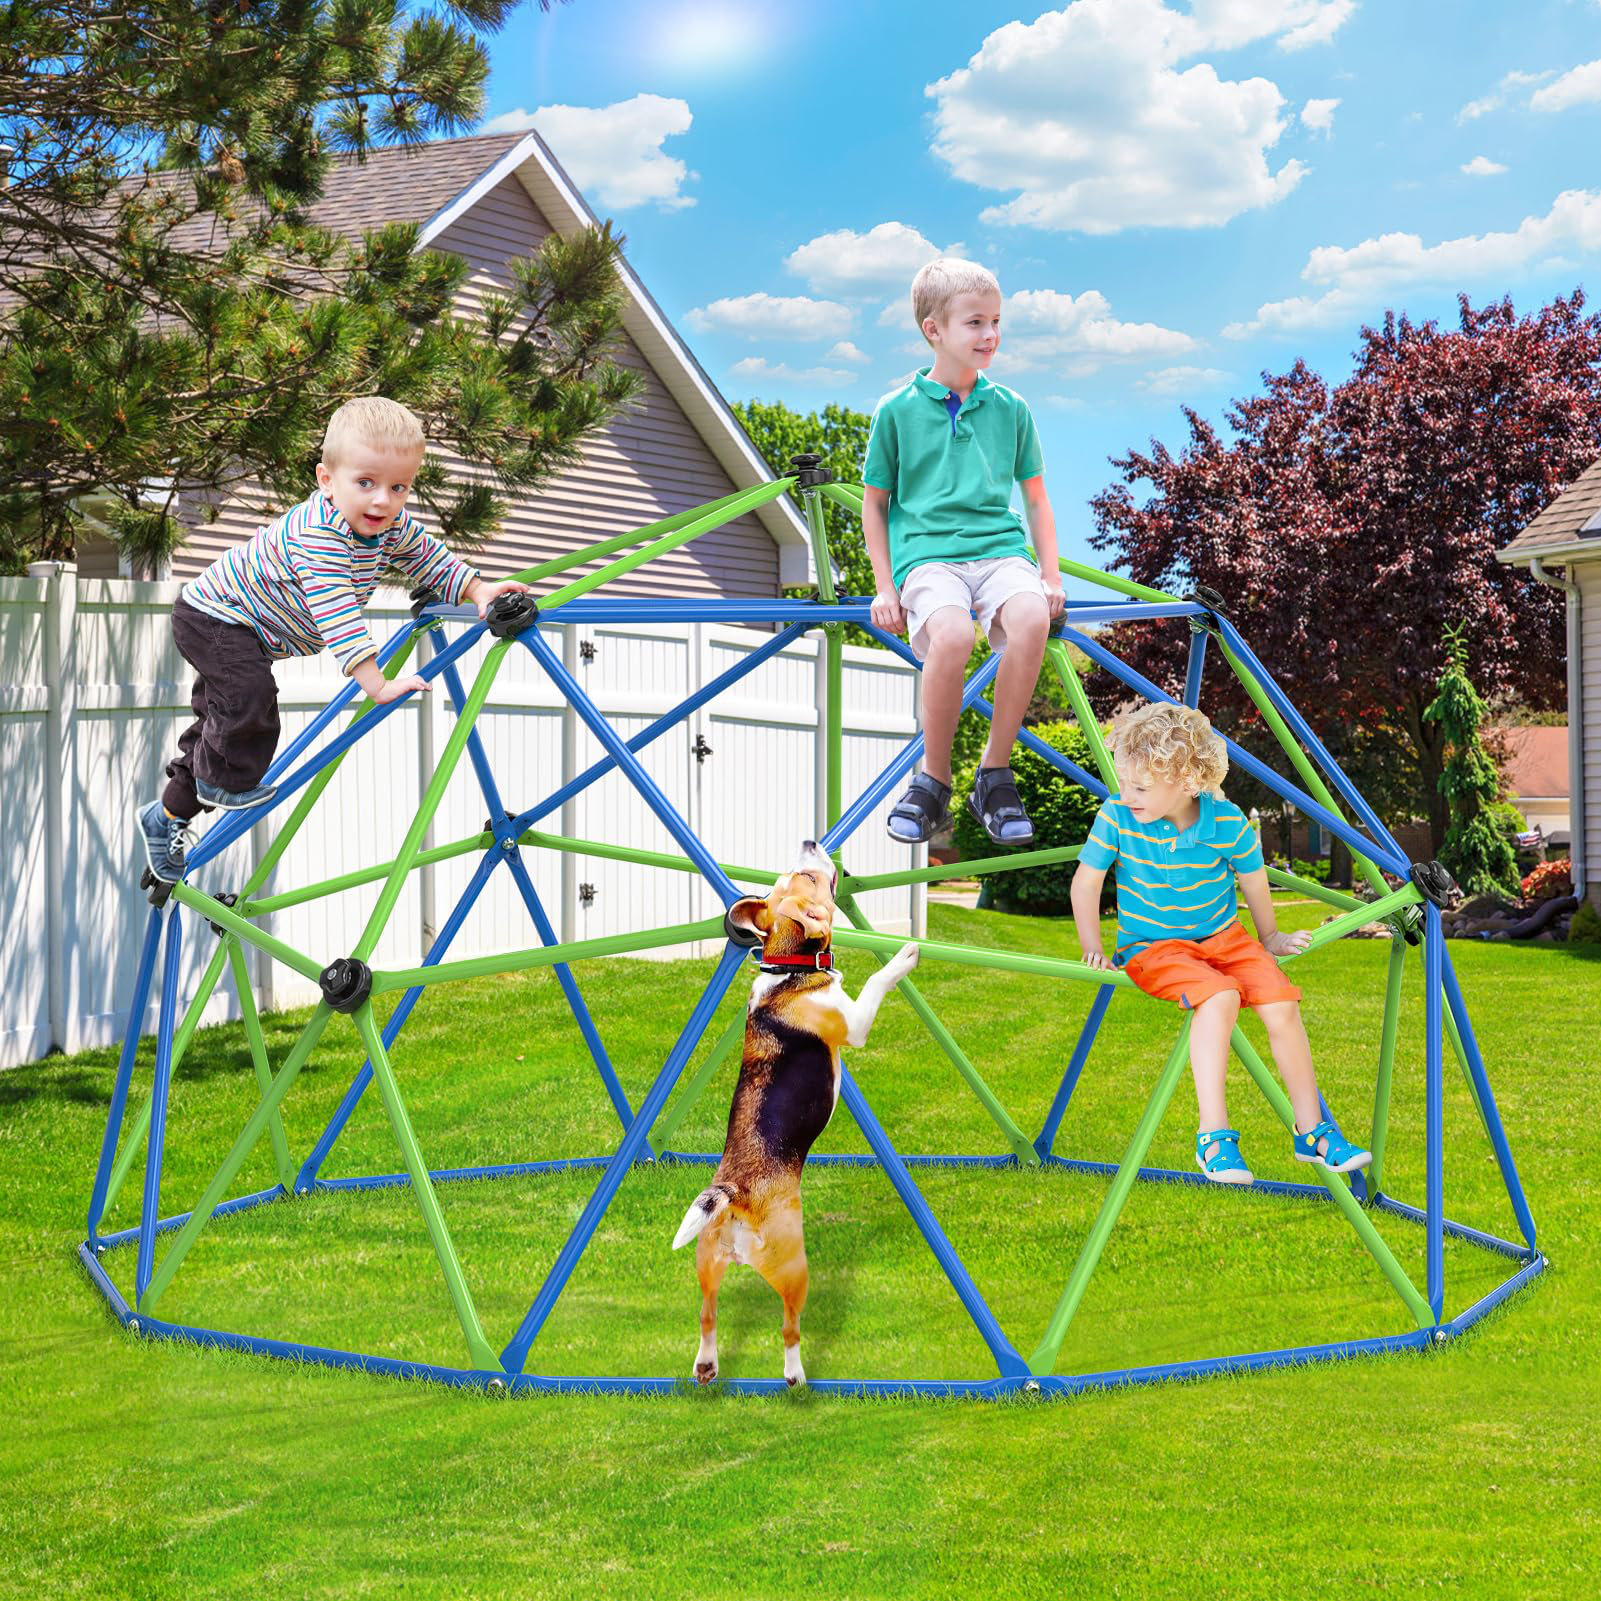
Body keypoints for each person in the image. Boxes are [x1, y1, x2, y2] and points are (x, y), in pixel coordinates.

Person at [135, 395, 533, 883]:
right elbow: (338, 611)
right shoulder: (321, 536)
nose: (382, 500)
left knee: (215, 731)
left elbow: (427, 556)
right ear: (327, 479)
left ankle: (165, 816)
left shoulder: (387, 524)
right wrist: (376, 684)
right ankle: (221, 785)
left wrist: (476, 589)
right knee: (249, 702)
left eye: (399, 487)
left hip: (244, 628)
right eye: (365, 483)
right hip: (216, 617)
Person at [1069, 701, 1371, 1185]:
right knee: (1220, 996)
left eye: (1140, 786)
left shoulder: (1227, 822)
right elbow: (1087, 883)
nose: (1127, 795)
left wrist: (1268, 937)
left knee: (1281, 1003)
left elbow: (1253, 880)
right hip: (1154, 947)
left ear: (1187, 781)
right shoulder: (1117, 817)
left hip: (1225, 938)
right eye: (1124, 782)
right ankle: (1213, 1136)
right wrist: (1093, 946)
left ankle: (1312, 1131)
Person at [861, 256, 1066, 848]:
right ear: (934, 329)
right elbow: (875, 505)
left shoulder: (1011, 407)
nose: (990, 335)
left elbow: (1036, 500)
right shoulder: (896, 410)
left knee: (1031, 616)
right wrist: (884, 587)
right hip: (928, 557)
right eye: (975, 323)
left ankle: (994, 776)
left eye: (996, 321)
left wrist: (1050, 575)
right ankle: (934, 780)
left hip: (999, 551)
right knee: (952, 635)